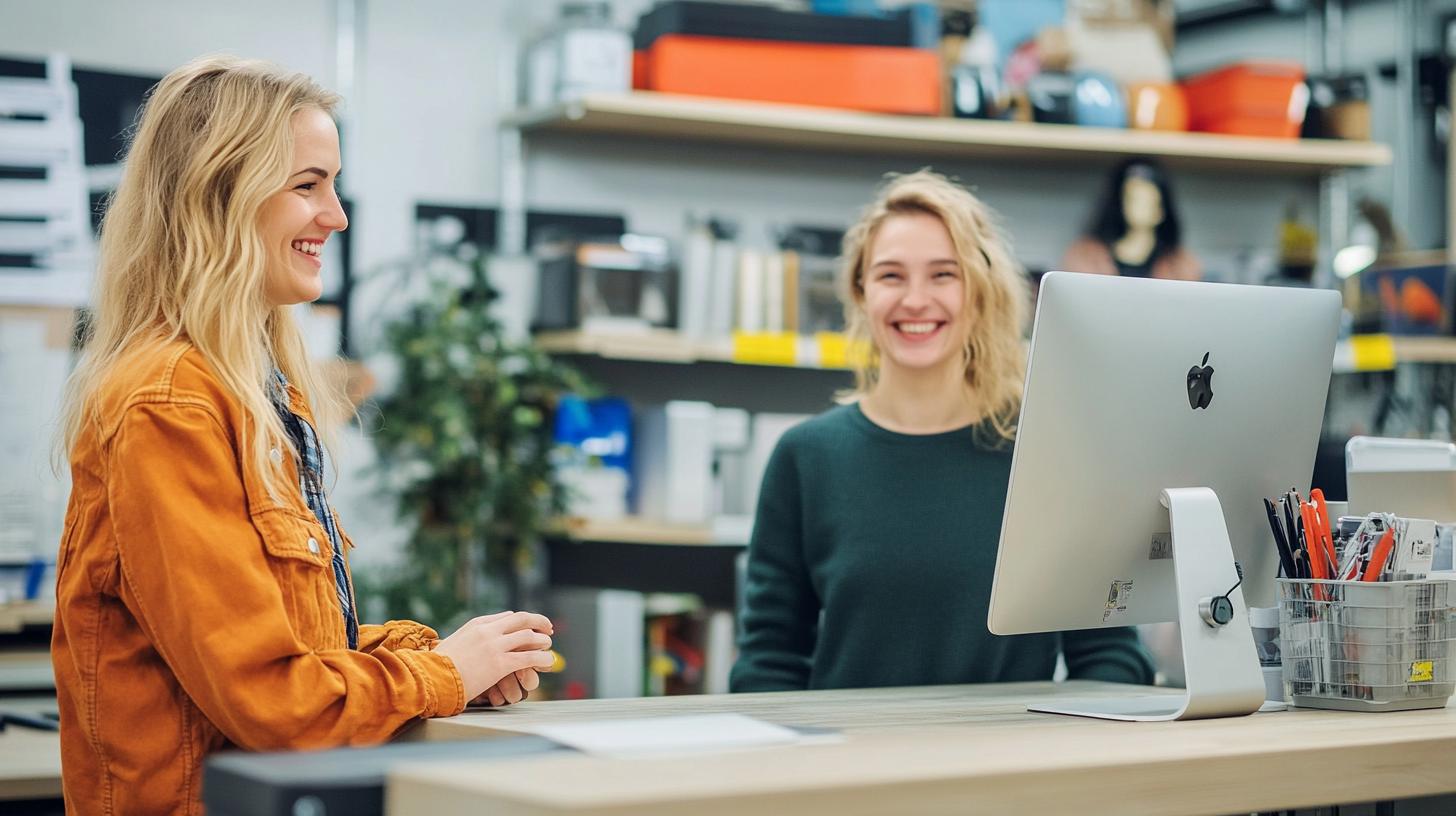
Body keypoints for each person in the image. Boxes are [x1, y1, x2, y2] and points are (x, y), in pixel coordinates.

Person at [50, 56, 554, 814]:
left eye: (334, 184)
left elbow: (300, 651)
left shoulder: (251, 392)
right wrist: (444, 671)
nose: (337, 215)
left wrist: (448, 661)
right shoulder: (170, 404)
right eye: (307, 185)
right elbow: (273, 703)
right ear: (220, 196)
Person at [729, 170, 1154, 692]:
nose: (914, 300)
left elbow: (1110, 654)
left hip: (1008, 766)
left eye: (943, 275)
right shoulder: (806, 457)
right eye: (890, 276)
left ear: (980, 293)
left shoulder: (1048, 451)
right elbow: (768, 663)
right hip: (848, 764)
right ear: (860, 293)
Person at [1060, 158, 1201, 280]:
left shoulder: (1180, 265)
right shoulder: (1085, 257)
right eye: (1133, 199)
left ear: (1161, 208)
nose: (1139, 207)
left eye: (1148, 200)